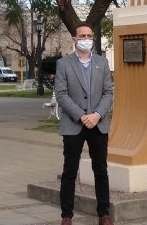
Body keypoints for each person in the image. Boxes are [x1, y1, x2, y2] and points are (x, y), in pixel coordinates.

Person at [55, 24, 115, 225]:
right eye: (82, 36)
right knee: (69, 171)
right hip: (74, 125)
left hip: (98, 125)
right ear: (75, 39)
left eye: (90, 36)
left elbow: (108, 92)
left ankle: (104, 214)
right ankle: (67, 216)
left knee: (101, 170)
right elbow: (61, 94)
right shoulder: (64, 64)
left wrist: (97, 114)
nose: (86, 39)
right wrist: (82, 116)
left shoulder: (102, 62)